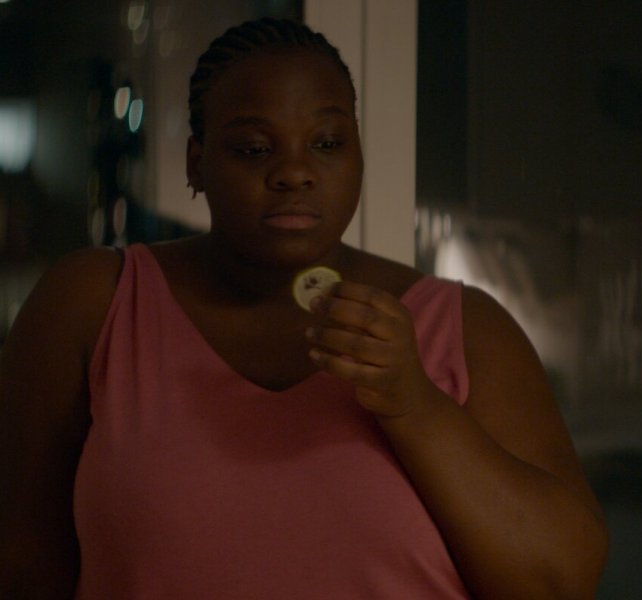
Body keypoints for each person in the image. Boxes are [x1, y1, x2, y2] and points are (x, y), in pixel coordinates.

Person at [0, 17, 607, 599]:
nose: (294, 172)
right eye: (253, 148)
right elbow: (22, 569)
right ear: (196, 163)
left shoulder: (465, 329)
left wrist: (414, 403)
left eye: (326, 143)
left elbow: (561, 583)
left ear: (358, 155)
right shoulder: (94, 305)